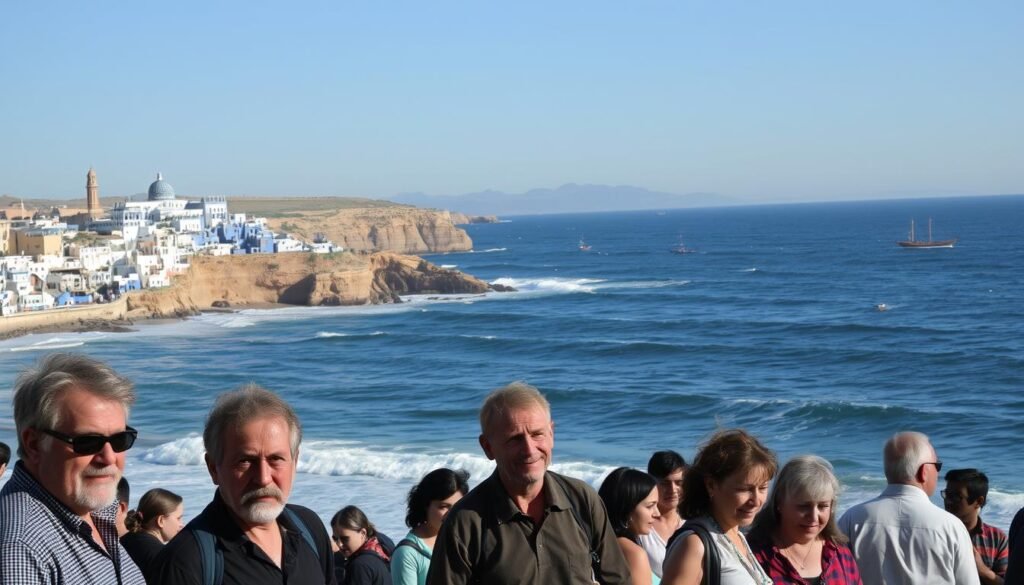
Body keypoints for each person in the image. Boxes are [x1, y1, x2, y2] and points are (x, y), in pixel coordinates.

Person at [427, 381, 631, 584]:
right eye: (515, 439)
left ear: (551, 434)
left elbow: (618, 580)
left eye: (537, 434)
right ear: (487, 447)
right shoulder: (465, 522)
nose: (530, 450)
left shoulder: (582, 500)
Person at [150, 384, 335, 585]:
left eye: (276, 459)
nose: (263, 478)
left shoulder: (309, 527)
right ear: (214, 468)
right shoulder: (185, 562)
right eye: (245, 461)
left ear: (295, 461)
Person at [0, 353, 146, 584]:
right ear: (34, 444)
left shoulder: (94, 513)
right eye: (87, 442)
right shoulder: (22, 548)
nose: (109, 457)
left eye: (120, 440)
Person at [837, 431, 979, 585]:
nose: (938, 472)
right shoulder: (951, 526)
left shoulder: (852, 519)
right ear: (923, 472)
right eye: (937, 466)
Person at [662, 429, 777, 585]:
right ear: (711, 485)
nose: (756, 500)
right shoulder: (694, 544)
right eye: (744, 489)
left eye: (763, 488)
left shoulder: (735, 534)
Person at [748, 455, 863, 584]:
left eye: (822, 506)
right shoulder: (754, 555)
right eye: (804, 506)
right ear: (779, 503)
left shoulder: (840, 553)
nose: (814, 517)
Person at [391, 468, 470, 585]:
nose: (452, 513)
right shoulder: (407, 554)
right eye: (443, 506)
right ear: (425, 505)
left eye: (457, 506)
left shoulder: (463, 541)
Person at [943, 468, 1008, 585]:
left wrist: (982, 570)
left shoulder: (997, 538)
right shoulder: (935, 532)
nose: (948, 501)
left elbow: (1007, 582)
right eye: (947, 494)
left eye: (956, 497)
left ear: (978, 501)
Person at [599, 467, 663, 585]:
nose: (657, 514)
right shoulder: (634, 554)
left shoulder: (599, 542)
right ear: (626, 509)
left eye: (657, 505)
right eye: (650, 506)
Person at [639, 450, 687, 579]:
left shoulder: (692, 522)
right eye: (665, 483)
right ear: (651, 482)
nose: (672, 490)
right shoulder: (641, 527)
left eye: (678, 483)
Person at [121, 488, 184, 578]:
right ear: (161, 520)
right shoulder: (163, 556)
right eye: (178, 518)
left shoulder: (124, 540)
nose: (181, 524)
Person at [332, 505, 393, 585]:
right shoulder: (382, 542)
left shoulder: (360, 566)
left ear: (363, 533)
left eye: (345, 539)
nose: (339, 544)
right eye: (335, 539)